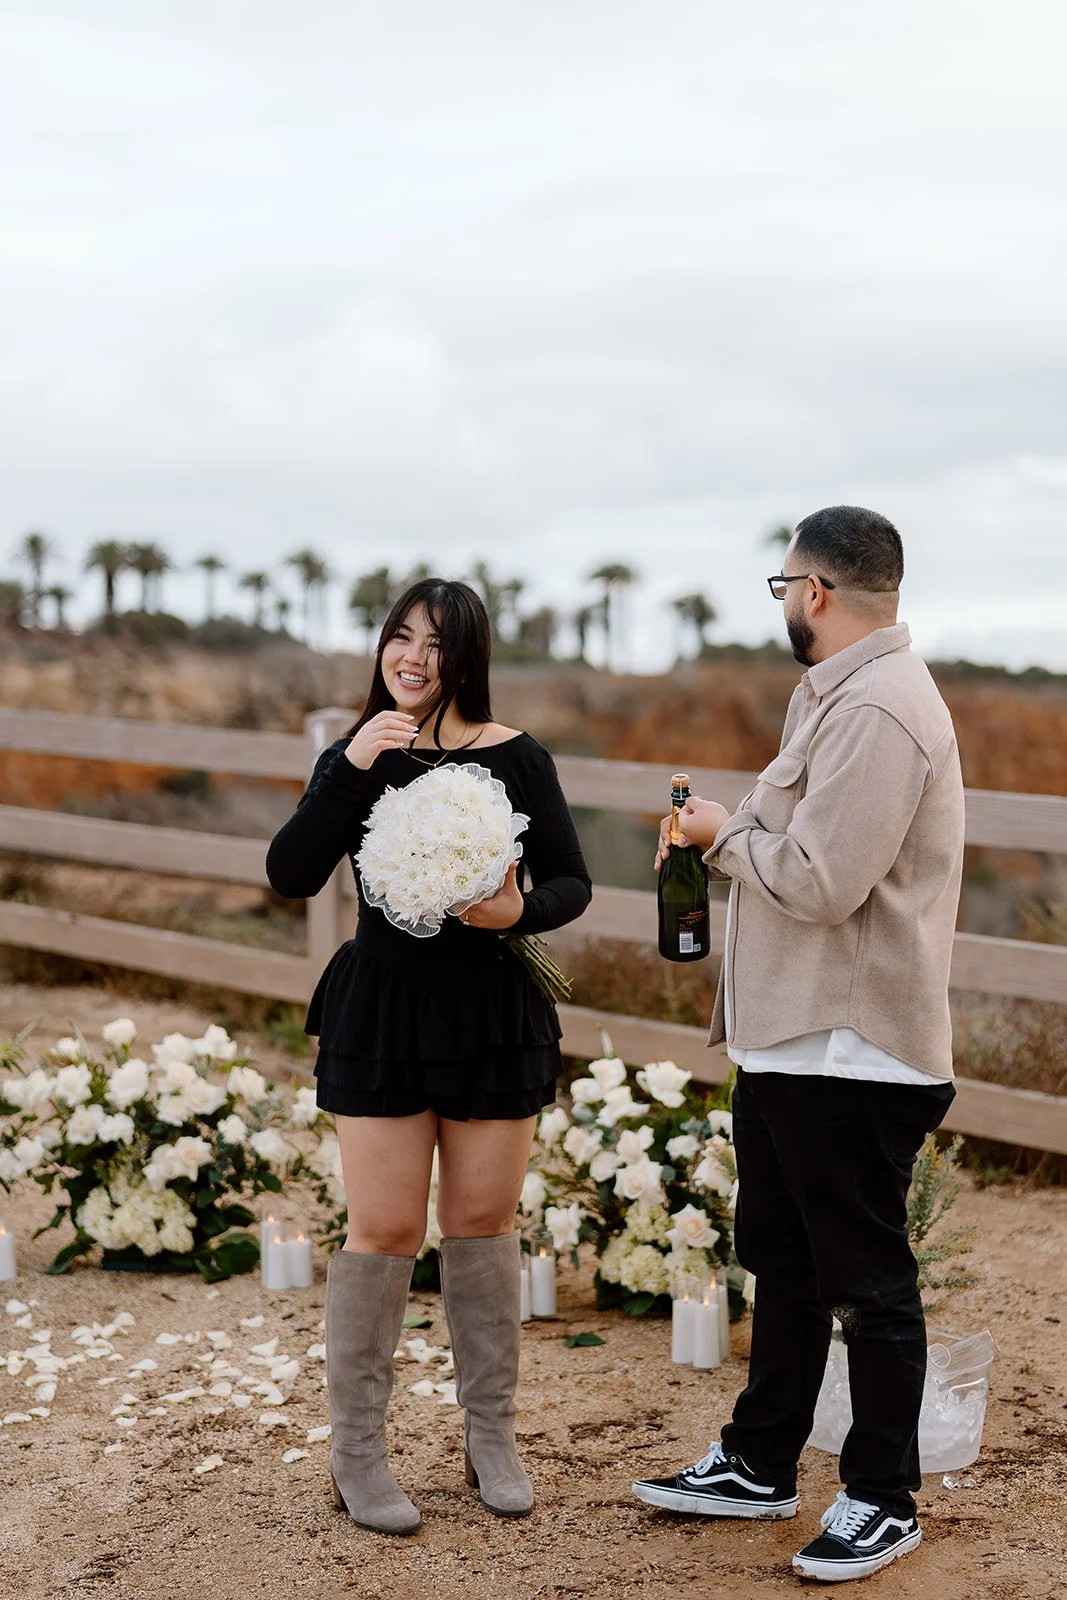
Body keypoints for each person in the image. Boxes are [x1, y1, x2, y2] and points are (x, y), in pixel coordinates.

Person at [632, 506, 965, 1583]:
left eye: (781, 587)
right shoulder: (829, 693)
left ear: (813, 591)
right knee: (780, 1258)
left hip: (853, 1048)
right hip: (794, 1040)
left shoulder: (879, 710)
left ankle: (879, 1495)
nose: (781, 604)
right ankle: (759, 1460)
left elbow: (822, 879)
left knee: (865, 1279)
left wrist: (719, 834)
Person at [267, 578, 591, 1535]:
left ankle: (490, 1436)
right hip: (385, 1013)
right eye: (399, 638)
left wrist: (515, 912)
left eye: (435, 645)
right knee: (384, 1228)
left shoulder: (516, 756)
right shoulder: (358, 751)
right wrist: (347, 768)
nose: (412, 658)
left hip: (493, 1011)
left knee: (483, 1220)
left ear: (467, 658)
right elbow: (289, 873)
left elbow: (571, 880)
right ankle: (357, 1453)